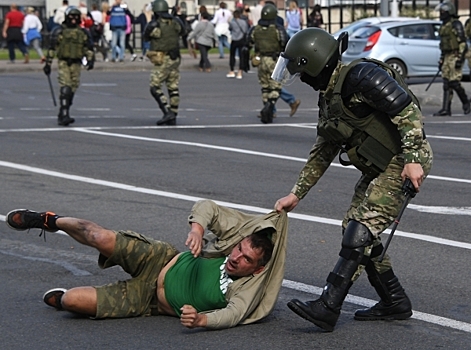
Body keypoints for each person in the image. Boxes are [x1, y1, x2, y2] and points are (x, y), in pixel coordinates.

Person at [272, 28, 433, 331]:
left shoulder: (361, 77)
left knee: (360, 230)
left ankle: (329, 305)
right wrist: (296, 194)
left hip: (404, 161)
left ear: (316, 63)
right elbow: (322, 150)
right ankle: (394, 300)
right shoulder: (329, 99)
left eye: (303, 71)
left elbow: (407, 110)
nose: (303, 79)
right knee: (355, 231)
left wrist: (412, 159)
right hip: (379, 166)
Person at [5, 199, 288, 329]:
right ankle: (49, 220)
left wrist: (203, 319)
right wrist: (197, 230)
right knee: (99, 237)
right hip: (161, 259)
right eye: (239, 250)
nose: (236, 257)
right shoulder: (233, 242)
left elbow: (233, 315)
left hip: (148, 301)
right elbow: (207, 207)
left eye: (246, 259)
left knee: (70, 301)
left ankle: (68, 298)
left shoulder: (246, 289)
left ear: (258, 268)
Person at [43, 6, 95, 126]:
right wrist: (48, 64)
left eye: (76, 17)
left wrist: (90, 60)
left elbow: (88, 48)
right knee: (65, 86)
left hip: (76, 63)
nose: (73, 19)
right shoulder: (59, 31)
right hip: (64, 62)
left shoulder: (82, 33)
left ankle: (63, 110)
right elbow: (52, 48)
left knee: (73, 87)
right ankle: (65, 114)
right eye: (71, 16)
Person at [144, 0, 186, 126]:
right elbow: (183, 32)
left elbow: (146, 36)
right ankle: (173, 113)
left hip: (163, 58)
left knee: (154, 86)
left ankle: (167, 111)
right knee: (173, 87)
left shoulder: (154, 24)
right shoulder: (176, 22)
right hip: (175, 57)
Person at [247, 3, 288, 124]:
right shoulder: (277, 29)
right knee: (275, 86)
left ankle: (266, 106)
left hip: (261, 60)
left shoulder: (255, 29)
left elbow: (248, 43)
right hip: (274, 60)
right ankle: (270, 106)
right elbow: (285, 43)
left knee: (264, 87)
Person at [433, 0, 470, 116]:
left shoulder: (456, 24)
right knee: (446, 83)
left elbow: (462, 43)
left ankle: (466, 102)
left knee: (454, 82)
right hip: (447, 55)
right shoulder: (444, 26)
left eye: (443, 11)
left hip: (456, 55)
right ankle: (446, 109)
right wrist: (442, 58)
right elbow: (444, 45)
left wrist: (460, 59)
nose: (441, 13)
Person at [227, 9, 249, 79]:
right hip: (241, 39)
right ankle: (240, 71)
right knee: (241, 56)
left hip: (234, 39)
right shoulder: (243, 22)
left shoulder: (232, 22)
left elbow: (229, 29)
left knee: (232, 55)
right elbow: (245, 30)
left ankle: (232, 70)